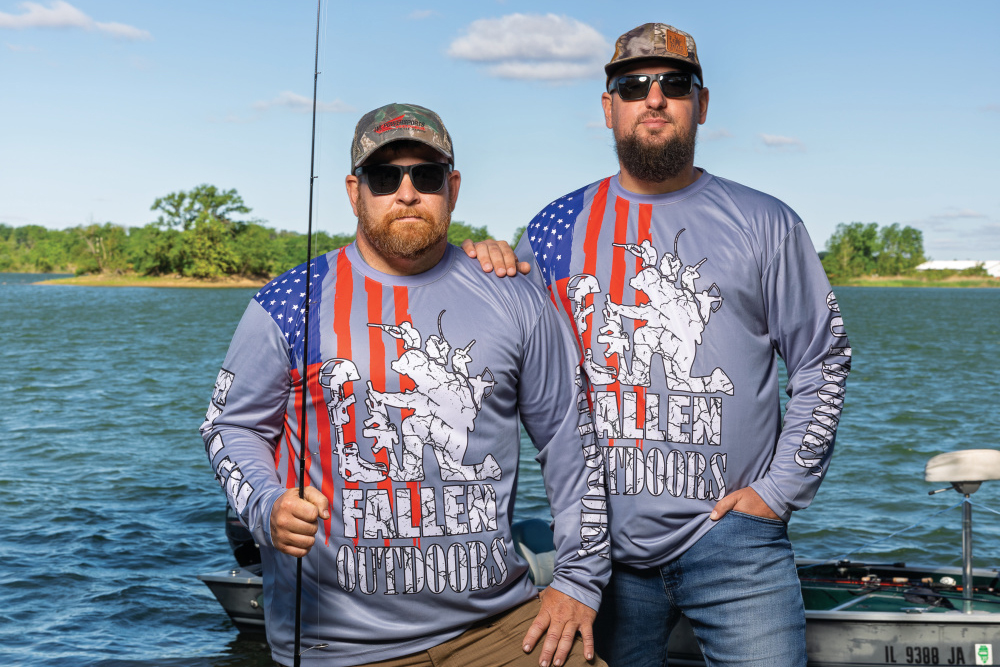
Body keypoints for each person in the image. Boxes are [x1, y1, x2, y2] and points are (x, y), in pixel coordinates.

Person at [467, 22, 852, 667]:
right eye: (633, 84)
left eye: (674, 84)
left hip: (736, 542)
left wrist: (777, 492)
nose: (654, 97)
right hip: (600, 553)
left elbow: (823, 358)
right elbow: (504, 353)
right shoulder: (555, 228)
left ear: (701, 104)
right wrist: (476, 263)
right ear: (608, 106)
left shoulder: (767, 222)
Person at [201, 103, 610, 667]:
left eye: (427, 174)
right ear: (354, 191)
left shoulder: (516, 296)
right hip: (339, 647)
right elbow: (230, 426)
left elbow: (571, 442)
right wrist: (267, 505)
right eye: (385, 176)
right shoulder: (287, 303)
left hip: (499, 628)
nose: (407, 191)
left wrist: (578, 583)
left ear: (453, 187)